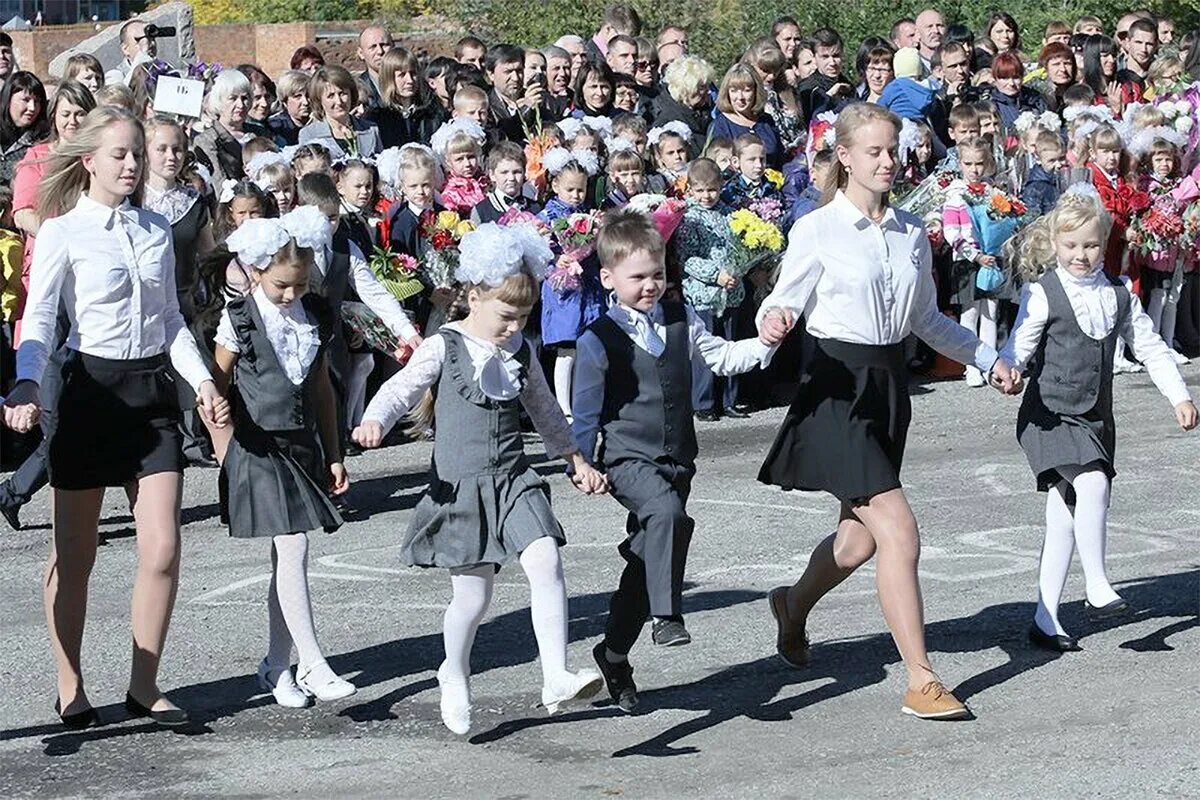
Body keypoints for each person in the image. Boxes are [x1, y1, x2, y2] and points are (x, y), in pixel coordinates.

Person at [755, 103, 1019, 720]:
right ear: (843, 157)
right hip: (836, 388)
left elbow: (925, 319)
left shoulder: (909, 231)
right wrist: (773, 318)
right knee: (899, 530)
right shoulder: (817, 229)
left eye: (891, 149)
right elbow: (781, 299)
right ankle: (922, 679)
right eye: (872, 151)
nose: (886, 160)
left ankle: (791, 605)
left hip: (888, 389)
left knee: (856, 542)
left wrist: (987, 356)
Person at [3, 108, 231, 728]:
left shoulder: (157, 229)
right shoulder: (62, 232)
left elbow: (172, 321)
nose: (133, 164)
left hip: (152, 392)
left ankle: (144, 684)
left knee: (162, 548)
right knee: (75, 556)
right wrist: (27, 380)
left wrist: (204, 380)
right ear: (89, 162)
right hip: (89, 395)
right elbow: (42, 319)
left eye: (138, 154)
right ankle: (69, 681)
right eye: (121, 155)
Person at [353, 223, 606, 734]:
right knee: (473, 599)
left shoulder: (521, 352)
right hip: (462, 488)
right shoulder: (442, 346)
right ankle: (454, 671)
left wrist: (574, 458)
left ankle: (555, 675)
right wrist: (375, 417)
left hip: (513, 478)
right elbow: (402, 387)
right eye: (507, 315)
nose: (516, 326)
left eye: (525, 317)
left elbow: (546, 410)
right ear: (473, 297)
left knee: (546, 559)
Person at [572, 209, 769, 711]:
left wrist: (767, 341)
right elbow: (586, 411)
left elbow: (721, 357)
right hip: (626, 459)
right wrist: (581, 461)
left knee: (644, 562)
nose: (650, 285)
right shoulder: (597, 339)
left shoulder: (682, 319)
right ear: (608, 278)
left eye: (657, 274)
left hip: (678, 459)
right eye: (637, 277)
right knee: (666, 515)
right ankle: (667, 617)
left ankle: (613, 654)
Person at [1002, 186, 1196, 651]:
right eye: (1070, 246)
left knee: (1064, 516)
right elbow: (1018, 345)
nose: (1081, 255)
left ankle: (1045, 619)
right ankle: (1097, 585)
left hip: (1095, 418)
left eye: (1090, 245)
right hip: (1049, 415)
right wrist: (1007, 371)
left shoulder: (1117, 295)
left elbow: (1150, 348)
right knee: (1092, 485)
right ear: (1055, 243)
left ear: (1105, 242)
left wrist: (1179, 396)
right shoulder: (1043, 292)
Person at [211, 215, 356, 706]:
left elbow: (321, 391)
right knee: (293, 547)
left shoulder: (311, 315)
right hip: (256, 448)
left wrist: (334, 453)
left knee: (285, 558)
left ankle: (276, 665)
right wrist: (223, 445)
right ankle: (314, 664)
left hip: (300, 447)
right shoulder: (240, 319)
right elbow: (215, 384)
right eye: (281, 285)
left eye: (300, 284)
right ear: (254, 271)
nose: (291, 294)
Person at [299, 66, 383, 161]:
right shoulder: (309, 134)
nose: (339, 101)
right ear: (319, 101)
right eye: (331, 96)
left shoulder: (371, 129)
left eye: (342, 94)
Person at [709, 64, 782, 169]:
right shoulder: (719, 126)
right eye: (734, 90)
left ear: (756, 91)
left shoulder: (766, 121)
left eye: (747, 90)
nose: (740, 97)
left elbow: (781, 159)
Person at [194, 70, 253, 185]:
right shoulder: (207, 140)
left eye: (245, 98)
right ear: (219, 101)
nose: (240, 105)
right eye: (233, 98)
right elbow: (218, 182)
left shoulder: (260, 133)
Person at [0, 72, 48, 187]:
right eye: (26, 100)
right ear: (8, 100)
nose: (32, 108)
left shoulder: (42, 142)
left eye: (37, 102)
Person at [104, 19, 155, 85]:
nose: (151, 44)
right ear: (125, 49)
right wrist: (143, 55)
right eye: (140, 40)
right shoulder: (115, 76)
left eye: (152, 39)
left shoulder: (162, 70)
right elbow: (124, 92)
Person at [356, 25, 394, 113]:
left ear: (393, 46)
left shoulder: (411, 84)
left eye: (384, 45)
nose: (380, 52)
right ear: (361, 53)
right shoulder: (356, 90)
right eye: (373, 47)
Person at [268, 70, 311, 147]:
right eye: (297, 96)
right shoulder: (275, 127)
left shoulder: (320, 123)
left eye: (308, 95)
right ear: (285, 101)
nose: (306, 102)